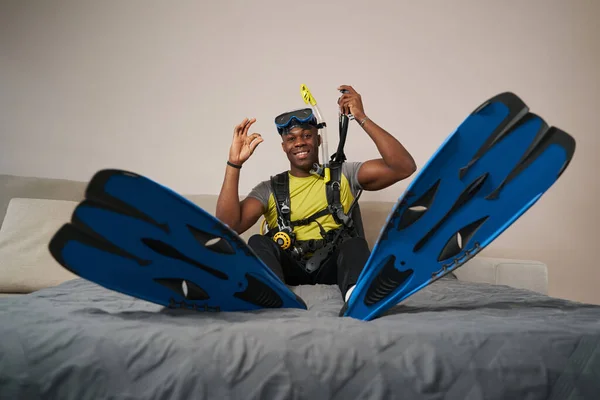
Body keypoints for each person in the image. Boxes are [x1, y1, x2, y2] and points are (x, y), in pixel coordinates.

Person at [216, 85, 416, 304]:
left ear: (319, 140)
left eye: (306, 135)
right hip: (289, 268)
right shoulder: (269, 189)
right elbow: (227, 226)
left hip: (335, 269)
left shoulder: (344, 175)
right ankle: (272, 295)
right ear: (283, 147)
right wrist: (234, 164)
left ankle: (357, 296)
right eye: (291, 139)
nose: (300, 142)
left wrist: (361, 117)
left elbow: (403, 167)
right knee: (257, 241)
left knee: (355, 244)